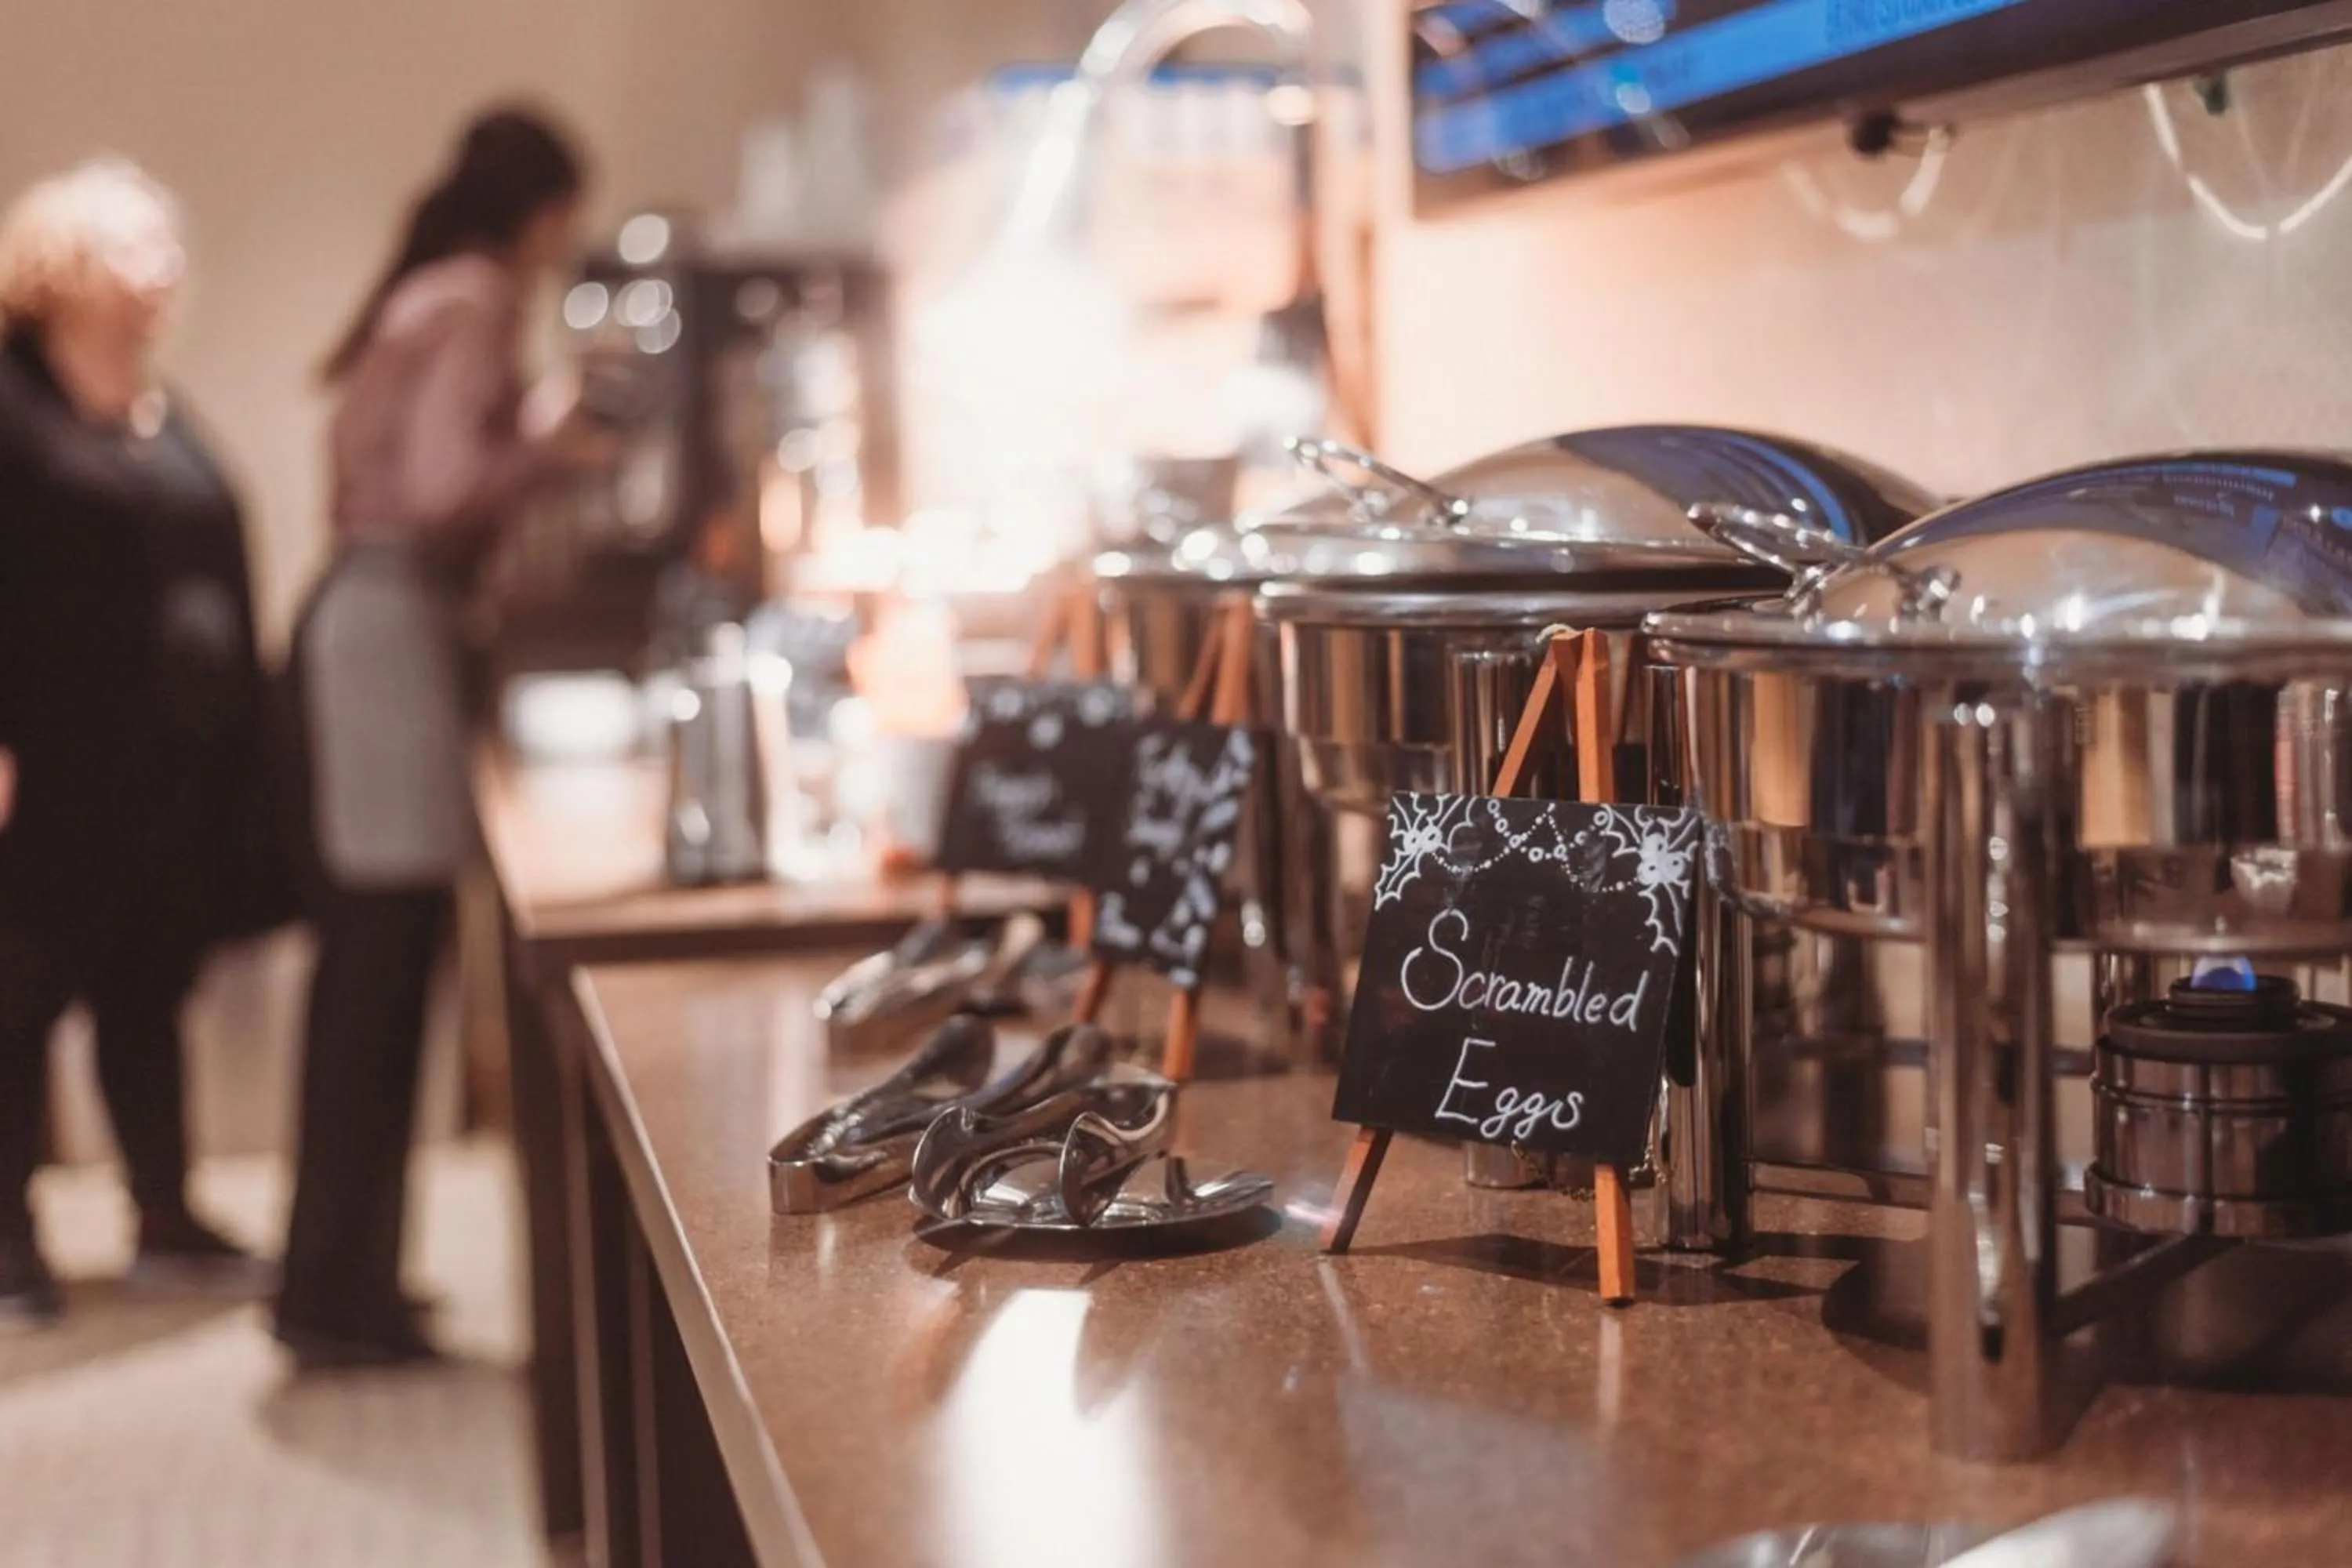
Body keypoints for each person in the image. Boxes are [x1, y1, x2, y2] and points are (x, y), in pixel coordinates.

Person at [274, 107, 603, 1368]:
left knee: (373, 970)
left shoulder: (429, 287)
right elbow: (436, 489)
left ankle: (342, 1278)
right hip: (386, 633)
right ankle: (332, 1294)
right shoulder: (474, 296)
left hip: (368, 626)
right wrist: (547, 442)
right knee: (378, 968)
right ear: (540, 209)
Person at [0, 161, 276, 1323]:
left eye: (169, 243)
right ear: (62, 264)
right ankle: (6, 1240)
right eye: (134, 246)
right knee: (18, 996)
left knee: (147, 986)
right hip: (50, 760)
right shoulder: (14, 406)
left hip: (166, 767)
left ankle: (163, 1208)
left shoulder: (156, 407)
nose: (165, 267)